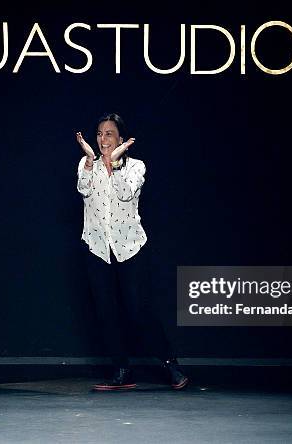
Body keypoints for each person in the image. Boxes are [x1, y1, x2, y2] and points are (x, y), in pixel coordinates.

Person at [75, 112, 189, 391]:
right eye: (100, 134)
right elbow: (83, 189)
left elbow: (126, 193)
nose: (103, 139)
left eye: (109, 134)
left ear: (122, 139)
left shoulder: (135, 166)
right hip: (97, 247)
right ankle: (122, 370)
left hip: (129, 247)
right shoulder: (86, 164)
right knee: (106, 311)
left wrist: (114, 164)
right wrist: (92, 163)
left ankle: (169, 364)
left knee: (138, 309)